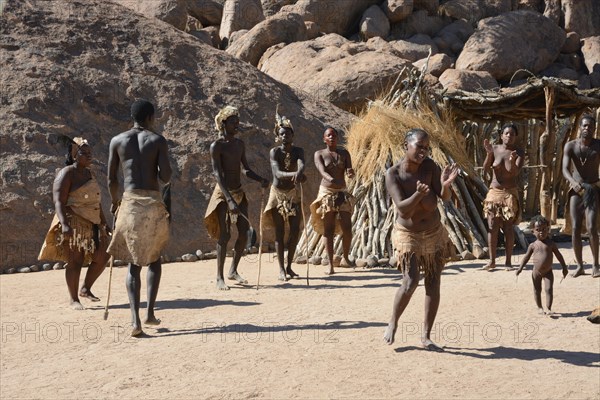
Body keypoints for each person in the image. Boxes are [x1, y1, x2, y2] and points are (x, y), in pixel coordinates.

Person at [383, 129, 458, 351]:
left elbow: (443, 198)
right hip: (408, 234)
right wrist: (417, 195)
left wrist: (445, 186)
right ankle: (393, 321)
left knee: (433, 282)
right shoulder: (393, 174)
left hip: (434, 231)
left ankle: (426, 336)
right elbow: (404, 211)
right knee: (411, 281)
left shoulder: (431, 167)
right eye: (419, 146)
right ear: (406, 145)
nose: (423, 151)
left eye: (426, 147)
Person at [107, 100, 172, 337]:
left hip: (130, 202)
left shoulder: (117, 141)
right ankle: (150, 312)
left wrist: (115, 203)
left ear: (133, 117)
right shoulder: (157, 140)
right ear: (151, 118)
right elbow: (166, 176)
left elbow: (112, 179)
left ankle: (135, 321)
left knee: (133, 263)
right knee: (154, 258)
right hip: (153, 202)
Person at [39, 137, 110, 310]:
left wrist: (104, 222)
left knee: (104, 255)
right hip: (74, 221)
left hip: (93, 222)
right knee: (75, 260)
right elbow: (58, 202)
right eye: (84, 153)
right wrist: (64, 224)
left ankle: (85, 289)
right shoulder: (66, 173)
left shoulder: (89, 173)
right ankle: (73, 299)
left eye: (90, 153)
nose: (88, 156)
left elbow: (96, 201)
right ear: (74, 154)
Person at [204, 106, 269, 290]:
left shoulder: (239, 144)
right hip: (223, 194)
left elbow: (245, 169)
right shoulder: (216, 146)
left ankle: (233, 270)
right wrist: (229, 199)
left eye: (237, 121)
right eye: (233, 121)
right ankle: (219, 277)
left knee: (244, 232)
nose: (237, 124)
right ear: (224, 123)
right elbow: (217, 174)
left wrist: (260, 179)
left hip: (238, 192)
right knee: (224, 236)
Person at [262, 113, 306, 281]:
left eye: (288, 133)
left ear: (293, 135)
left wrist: (300, 172)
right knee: (279, 232)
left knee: (295, 231)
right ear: (277, 137)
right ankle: (281, 269)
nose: (285, 135)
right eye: (282, 133)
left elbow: (302, 164)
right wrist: (296, 174)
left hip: (293, 194)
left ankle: (289, 267)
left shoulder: (298, 151)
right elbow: (277, 173)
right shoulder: (274, 152)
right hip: (278, 194)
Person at [310, 127, 355, 275]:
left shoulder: (344, 153)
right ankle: (330, 265)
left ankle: (346, 258)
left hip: (342, 192)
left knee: (347, 228)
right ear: (324, 139)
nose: (332, 138)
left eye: (334, 135)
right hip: (327, 192)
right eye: (329, 136)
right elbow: (322, 171)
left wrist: (350, 172)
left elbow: (349, 169)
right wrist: (332, 179)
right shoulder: (320, 154)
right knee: (328, 230)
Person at [481, 123, 524, 271]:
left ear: (515, 137)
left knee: (508, 227)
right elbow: (485, 169)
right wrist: (488, 154)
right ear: (501, 135)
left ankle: (508, 262)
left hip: (509, 193)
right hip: (494, 192)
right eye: (506, 133)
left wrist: (512, 161)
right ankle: (492, 261)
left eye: (512, 134)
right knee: (492, 226)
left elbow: (514, 173)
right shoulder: (494, 149)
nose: (509, 136)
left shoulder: (519, 152)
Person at [561, 115, 599, 278]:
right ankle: (580, 265)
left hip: (592, 189)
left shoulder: (598, 145)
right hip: (575, 190)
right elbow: (564, 168)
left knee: (592, 227)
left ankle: (596, 265)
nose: (587, 129)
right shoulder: (570, 146)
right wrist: (572, 182)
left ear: (594, 128)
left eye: (590, 126)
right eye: (584, 126)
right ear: (579, 127)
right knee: (575, 228)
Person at [515, 215, 568, 315]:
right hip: (536, 272)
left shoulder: (551, 244)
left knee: (549, 289)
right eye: (538, 230)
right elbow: (526, 257)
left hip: (548, 272)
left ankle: (548, 308)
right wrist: (520, 268)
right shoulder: (533, 245)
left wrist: (564, 267)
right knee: (537, 290)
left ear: (548, 229)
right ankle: (539, 307)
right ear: (532, 232)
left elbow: (559, 256)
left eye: (544, 229)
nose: (541, 232)